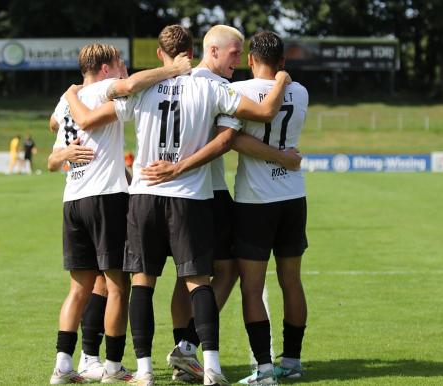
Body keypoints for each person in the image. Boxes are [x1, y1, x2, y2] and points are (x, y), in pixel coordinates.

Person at [65, 24, 290, 386]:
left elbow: (92, 117)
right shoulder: (212, 87)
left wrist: (72, 95)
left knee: (142, 283)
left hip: (144, 194)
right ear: (196, 50)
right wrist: (281, 79)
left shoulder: (143, 85)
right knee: (197, 281)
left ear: (160, 54)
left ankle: (144, 371)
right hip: (191, 197)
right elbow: (263, 113)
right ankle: (210, 366)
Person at [47, 42, 192, 385]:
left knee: (79, 288)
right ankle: (112, 367)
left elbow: (54, 127)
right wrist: (172, 70)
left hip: (73, 200)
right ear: (105, 67)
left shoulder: (70, 98)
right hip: (104, 200)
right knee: (117, 285)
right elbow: (127, 87)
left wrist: (68, 136)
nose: (124, 66)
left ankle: (63, 366)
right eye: (119, 61)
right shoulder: (100, 89)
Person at [165, 24, 303, 383]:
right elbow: (232, 136)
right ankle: (194, 349)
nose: (238, 61)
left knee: (191, 277)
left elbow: (231, 136)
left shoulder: (188, 85)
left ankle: (188, 348)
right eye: (232, 54)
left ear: (256, 58)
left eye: (243, 55)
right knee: (231, 274)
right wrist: (282, 156)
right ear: (212, 51)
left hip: (197, 192)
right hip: (221, 191)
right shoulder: (233, 88)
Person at [228, 31, 309, 385]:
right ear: (283, 62)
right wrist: (284, 159)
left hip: (255, 201)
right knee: (291, 281)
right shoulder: (301, 91)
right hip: (293, 196)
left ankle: (263, 369)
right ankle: (291, 361)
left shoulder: (239, 91)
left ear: (249, 60)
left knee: (252, 287)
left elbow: (235, 140)